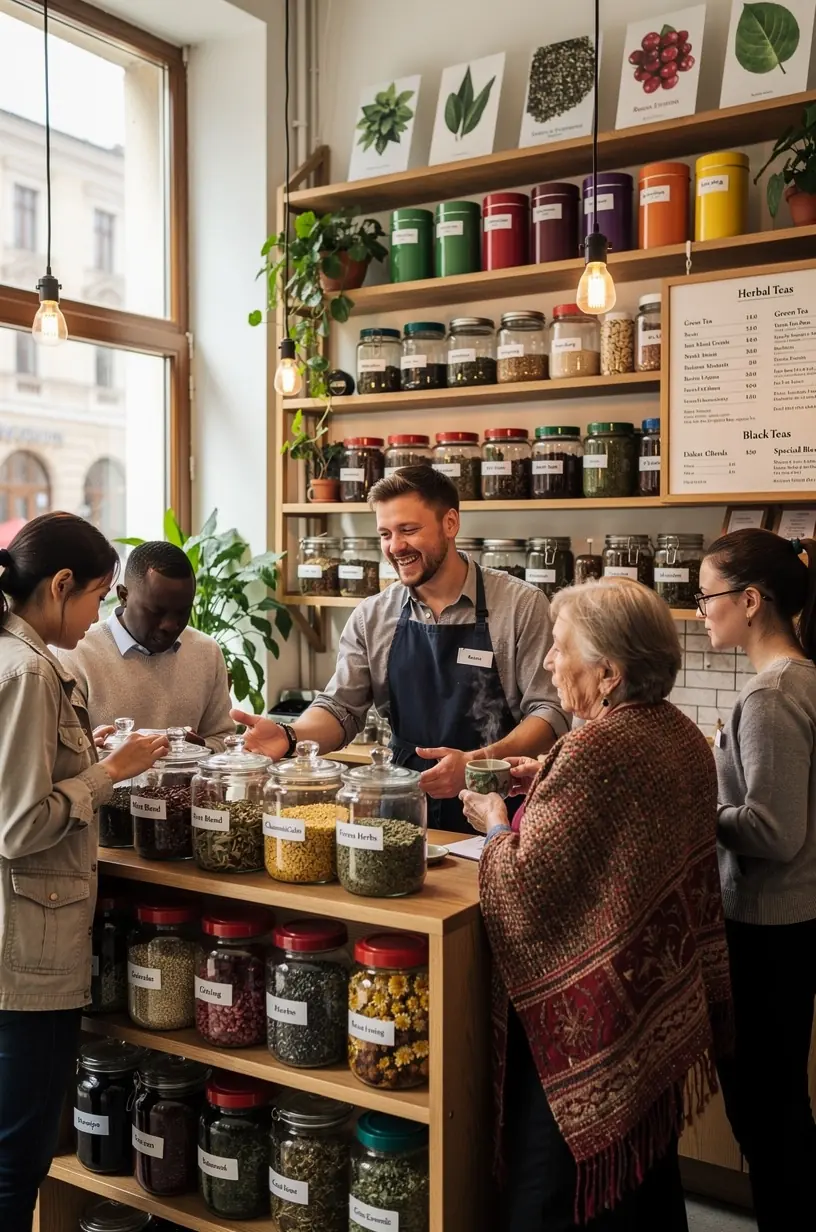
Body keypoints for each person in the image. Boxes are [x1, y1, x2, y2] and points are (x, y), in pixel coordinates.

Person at [460, 579, 733, 1231]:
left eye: (559, 650)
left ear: (608, 674)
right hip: (647, 1004)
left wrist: (496, 824)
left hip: (591, 1028)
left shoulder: (595, 749)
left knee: (551, 1189)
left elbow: (523, 893)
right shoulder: (676, 732)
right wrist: (546, 770)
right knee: (642, 1183)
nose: (550, 663)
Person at [234, 466, 567, 831]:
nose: (395, 547)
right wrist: (290, 736)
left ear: (451, 523)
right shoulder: (373, 615)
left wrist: (477, 762)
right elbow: (341, 707)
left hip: (497, 806)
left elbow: (549, 712)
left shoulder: (521, 605)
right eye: (385, 534)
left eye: (408, 530)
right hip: (402, 808)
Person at [0, 513, 167, 1232]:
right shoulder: (31, 670)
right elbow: (19, 825)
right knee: (17, 1161)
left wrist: (80, 753)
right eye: (100, 596)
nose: (101, 614)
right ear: (61, 584)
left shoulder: (18, 657)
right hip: (24, 962)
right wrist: (108, 772)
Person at [696, 528, 816, 1232]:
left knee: (766, 1113)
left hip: (769, 926)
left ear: (749, 600)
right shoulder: (799, 679)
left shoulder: (771, 696)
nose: (702, 607)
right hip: (791, 924)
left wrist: (699, 809)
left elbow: (774, 832)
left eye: (709, 594)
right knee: (780, 1107)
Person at [60, 540, 233, 752]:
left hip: (186, 783)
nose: (170, 625)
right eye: (156, 611)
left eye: (182, 612)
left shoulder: (206, 652)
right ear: (123, 596)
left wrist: (198, 748)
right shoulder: (76, 655)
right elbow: (66, 757)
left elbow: (223, 738)